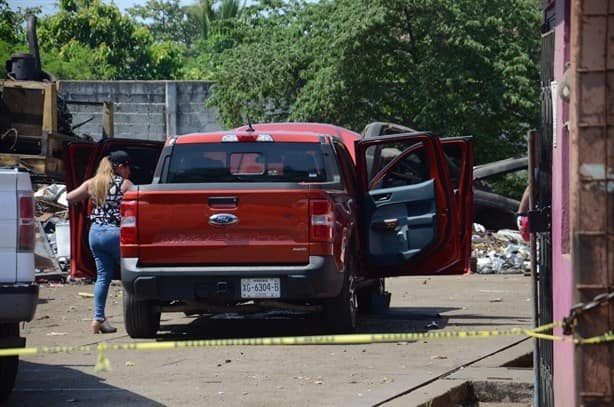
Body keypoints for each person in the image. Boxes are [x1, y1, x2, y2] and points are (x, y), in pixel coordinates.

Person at [66, 150, 134, 334]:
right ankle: (138, 314)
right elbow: (141, 201)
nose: (129, 171)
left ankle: (98, 318)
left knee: (103, 277)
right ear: (120, 167)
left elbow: (70, 197)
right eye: (127, 167)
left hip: (95, 234)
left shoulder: (93, 183)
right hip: (116, 234)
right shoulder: (125, 185)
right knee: (132, 276)